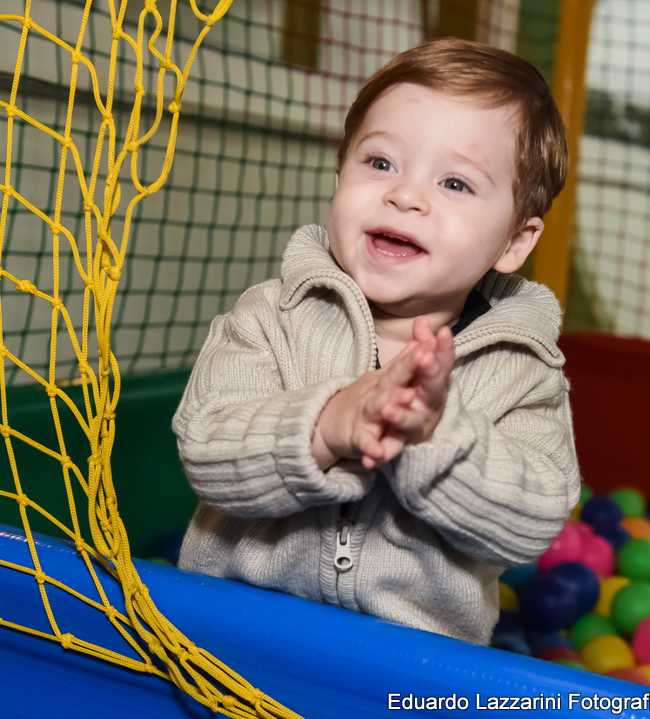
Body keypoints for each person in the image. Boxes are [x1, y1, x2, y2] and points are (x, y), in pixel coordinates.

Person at [172, 37, 580, 645]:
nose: (406, 195)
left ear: (515, 241)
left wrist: (435, 434)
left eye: (456, 184)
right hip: (231, 637)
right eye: (381, 163)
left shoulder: (522, 369)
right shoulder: (271, 315)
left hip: (410, 671)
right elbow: (208, 450)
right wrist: (331, 422)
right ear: (340, 175)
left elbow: (531, 521)